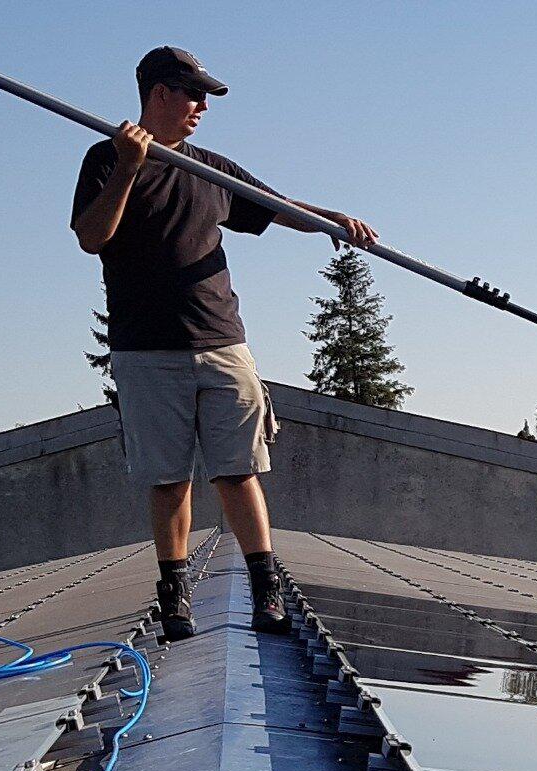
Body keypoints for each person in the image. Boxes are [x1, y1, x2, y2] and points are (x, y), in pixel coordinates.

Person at [71, 46, 377, 640]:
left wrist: (334, 221)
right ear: (159, 93)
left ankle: (267, 593)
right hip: (146, 350)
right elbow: (91, 236)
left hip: (221, 343)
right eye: (193, 94)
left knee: (239, 471)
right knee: (168, 479)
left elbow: (275, 205)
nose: (202, 106)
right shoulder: (106, 159)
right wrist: (132, 167)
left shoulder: (210, 169)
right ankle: (176, 595)